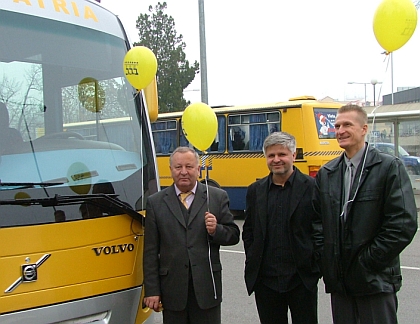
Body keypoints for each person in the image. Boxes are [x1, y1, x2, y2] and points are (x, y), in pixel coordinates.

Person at [312, 104, 418, 324]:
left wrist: (368, 262)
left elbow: (402, 224)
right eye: (337, 125)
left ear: (363, 129)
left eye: (347, 125)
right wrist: (327, 259)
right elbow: (317, 222)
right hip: (340, 283)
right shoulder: (327, 173)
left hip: (374, 281)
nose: (340, 130)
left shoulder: (389, 167)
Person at [143, 146, 240, 324]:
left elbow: (234, 235)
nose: (184, 172)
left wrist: (216, 230)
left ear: (198, 169)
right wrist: (152, 290)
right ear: (170, 169)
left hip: (206, 289)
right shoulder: (155, 203)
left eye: (189, 167)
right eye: (178, 167)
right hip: (172, 290)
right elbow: (150, 251)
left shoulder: (216, 197)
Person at [242, 131, 320, 324]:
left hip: (301, 280)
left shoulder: (312, 188)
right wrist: (253, 257)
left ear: (293, 156)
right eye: (271, 155)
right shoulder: (255, 190)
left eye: (282, 154)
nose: (276, 160)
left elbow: (320, 229)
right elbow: (249, 230)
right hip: (266, 282)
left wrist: (315, 266)